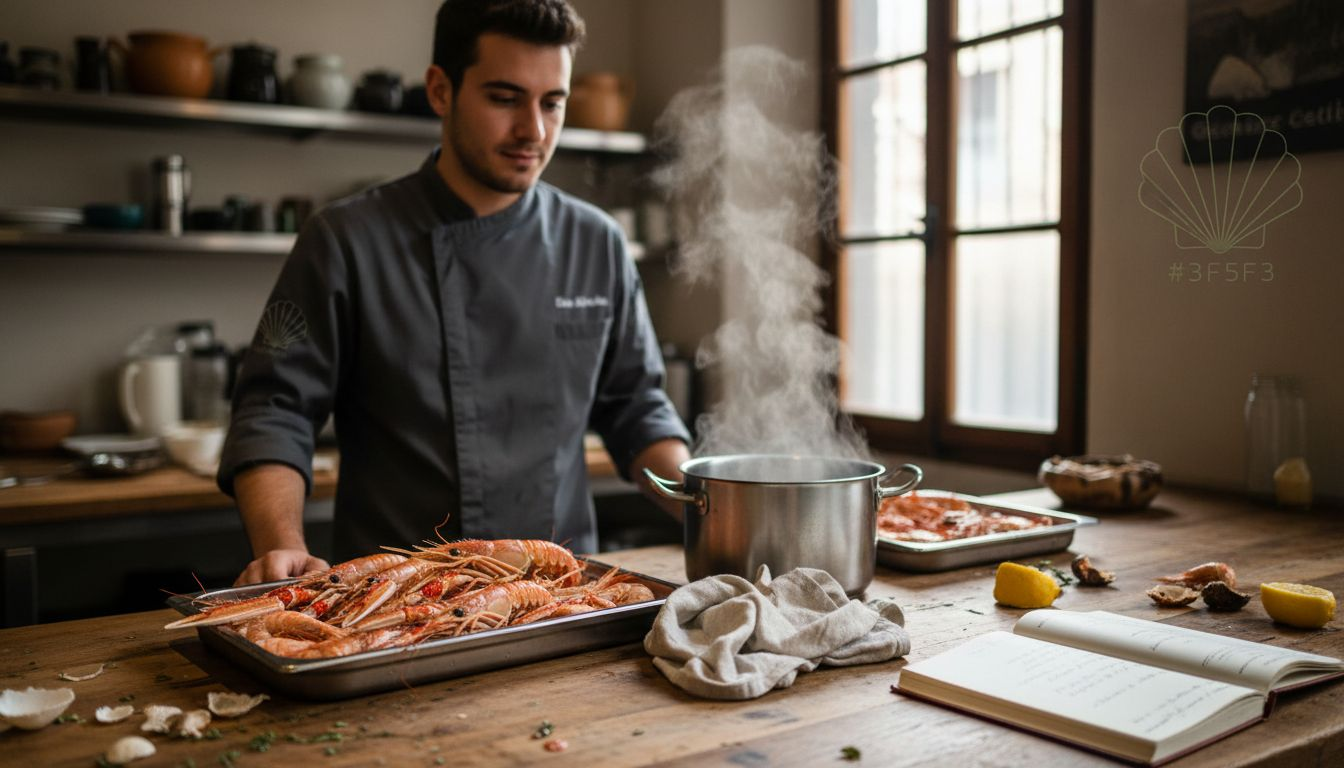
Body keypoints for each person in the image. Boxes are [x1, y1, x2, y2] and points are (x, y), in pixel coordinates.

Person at [220, 0, 691, 586]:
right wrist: (281, 546)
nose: (534, 131)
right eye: (504, 98)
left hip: (557, 599)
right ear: (441, 91)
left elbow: (638, 410)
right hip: (388, 604)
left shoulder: (596, 242)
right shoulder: (346, 239)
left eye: (553, 102)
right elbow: (274, 410)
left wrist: (706, 506)